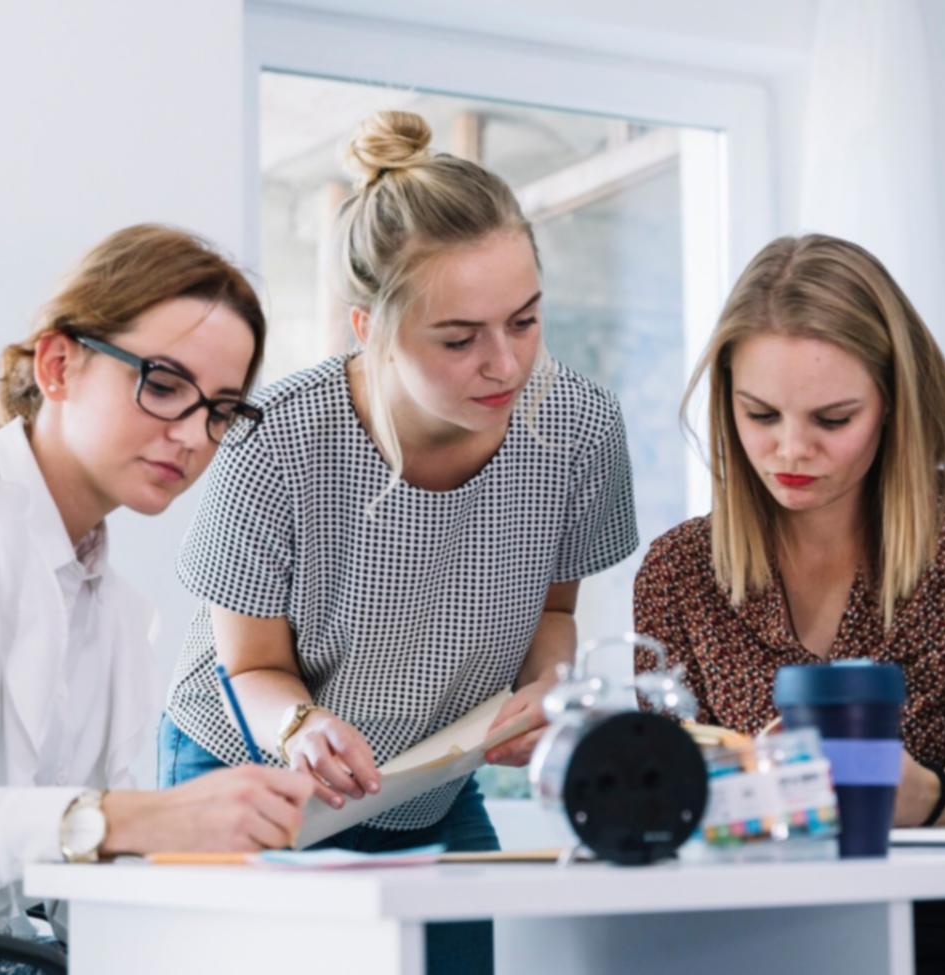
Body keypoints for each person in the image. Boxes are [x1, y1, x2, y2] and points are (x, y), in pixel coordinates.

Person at [158, 110, 639, 974]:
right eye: (459, 338)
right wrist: (302, 726)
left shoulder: (579, 430)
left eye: (526, 321)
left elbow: (553, 609)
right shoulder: (275, 442)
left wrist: (551, 686)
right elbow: (253, 667)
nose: (506, 364)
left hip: (426, 778)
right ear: (366, 328)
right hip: (251, 762)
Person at [0, 225, 314, 975]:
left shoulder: (112, 611)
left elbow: (86, 890)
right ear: (57, 363)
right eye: (165, 383)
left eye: (220, 411)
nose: (190, 436)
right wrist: (130, 819)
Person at [633, 233, 945, 974]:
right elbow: (658, 800)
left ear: (895, 404)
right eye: (760, 415)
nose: (791, 450)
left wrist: (931, 795)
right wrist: (742, 789)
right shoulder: (678, 572)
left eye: (833, 419)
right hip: (740, 936)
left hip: (936, 928)